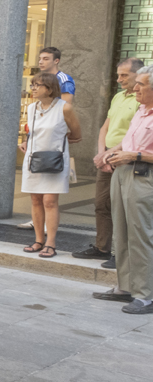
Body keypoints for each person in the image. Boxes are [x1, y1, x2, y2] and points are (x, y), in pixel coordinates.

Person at [94, 66, 153, 313]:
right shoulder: (141, 110)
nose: (135, 87)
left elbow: (137, 150)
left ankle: (146, 295)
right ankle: (126, 287)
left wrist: (134, 154)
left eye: (141, 84)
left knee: (141, 236)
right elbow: (128, 139)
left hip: (143, 176)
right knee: (122, 232)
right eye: (136, 82)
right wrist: (112, 151)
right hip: (123, 172)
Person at [74, 58, 143, 268]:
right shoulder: (118, 97)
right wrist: (101, 153)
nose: (119, 79)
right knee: (102, 204)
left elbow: (135, 134)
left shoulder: (143, 99)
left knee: (125, 209)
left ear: (138, 75)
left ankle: (121, 254)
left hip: (126, 158)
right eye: (118, 74)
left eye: (124, 75)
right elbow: (105, 127)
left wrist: (112, 153)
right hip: (108, 158)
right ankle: (102, 247)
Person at [19, 72, 82, 259]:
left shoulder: (65, 108)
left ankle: (51, 243)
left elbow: (77, 135)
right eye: (33, 85)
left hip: (54, 160)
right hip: (33, 159)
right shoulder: (31, 108)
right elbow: (32, 132)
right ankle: (38, 240)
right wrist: (26, 142)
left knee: (50, 201)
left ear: (50, 88)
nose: (34, 88)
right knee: (36, 200)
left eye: (38, 85)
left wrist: (56, 143)